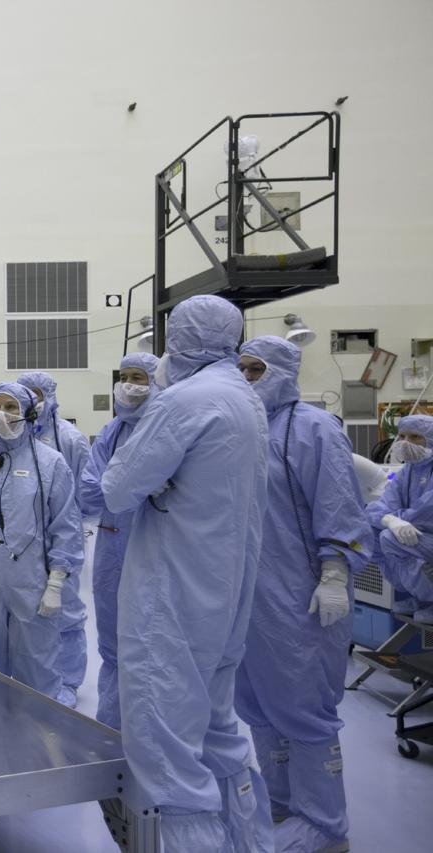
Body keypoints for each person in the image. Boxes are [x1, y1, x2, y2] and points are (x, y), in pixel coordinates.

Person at [100, 294, 273, 851]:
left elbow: (117, 487)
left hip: (171, 605)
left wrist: (153, 476)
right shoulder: (245, 398)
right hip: (221, 600)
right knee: (221, 740)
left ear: (179, 338)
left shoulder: (184, 401)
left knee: (167, 761)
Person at [233, 336, 372, 853]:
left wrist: (335, 573)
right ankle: (281, 805)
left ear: (285, 372)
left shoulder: (313, 428)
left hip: (301, 596)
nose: (247, 377)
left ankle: (325, 822)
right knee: (260, 705)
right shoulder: (241, 427)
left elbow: (338, 502)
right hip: (250, 595)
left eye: (257, 369)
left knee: (303, 707)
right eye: (241, 368)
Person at [0, 382, 84, 700]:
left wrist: (56, 584)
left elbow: (66, 526)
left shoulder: (50, 463)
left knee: (36, 653)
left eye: (11, 408)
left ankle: (37, 726)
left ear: (29, 414)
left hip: (31, 574)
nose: (2, 414)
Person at [77, 351, 159, 729]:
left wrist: (116, 484)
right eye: (124, 375)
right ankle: (111, 733)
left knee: (152, 644)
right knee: (112, 643)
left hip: (157, 547)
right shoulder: (113, 431)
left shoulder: (165, 428)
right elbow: (90, 492)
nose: (129, 384)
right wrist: (127, 487)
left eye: (138, 377)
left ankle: (150, 735)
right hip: (113, 545)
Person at [16, 371, 91, 707]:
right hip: (24, 540)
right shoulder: (14, 436)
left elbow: (85, 494)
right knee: (29, 609)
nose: (30, 401)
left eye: (35, 393)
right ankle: (36, 674)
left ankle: (68, 681)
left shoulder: (69, 439)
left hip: (62, 536)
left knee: (66, 609)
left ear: (48, 396)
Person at [366, 414, 433, 621]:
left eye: (414, 437)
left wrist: (394, 519)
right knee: (370, 534)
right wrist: (391, 520)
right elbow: (378, 508)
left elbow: (425, 513)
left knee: (391, 538)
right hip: (421, 539)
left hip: (428, 534)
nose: (405, 443)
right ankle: (421, 597)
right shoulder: (407, 471)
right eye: (402, 436)